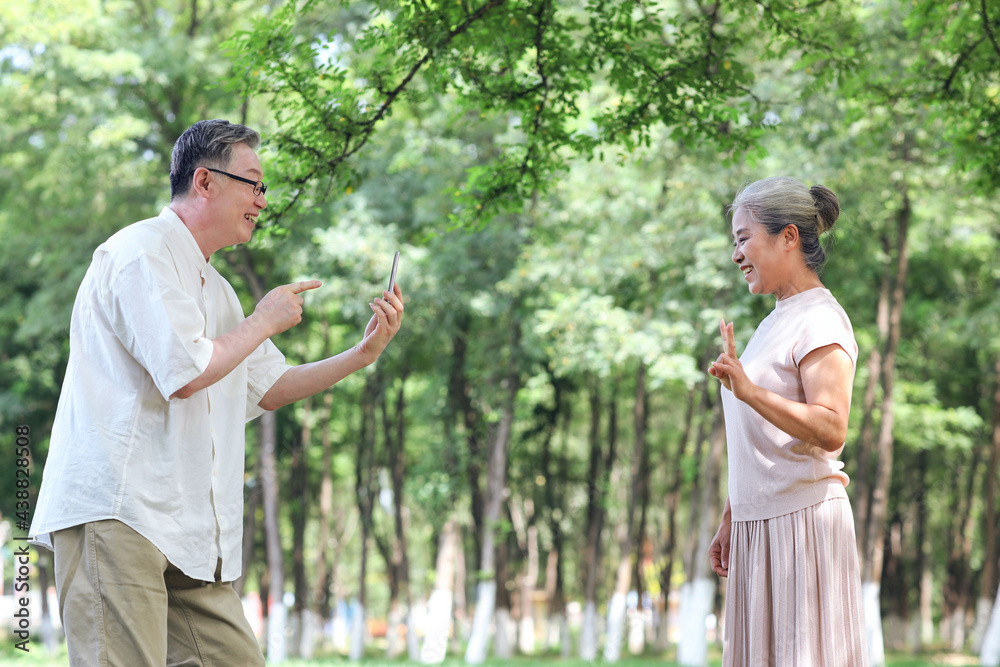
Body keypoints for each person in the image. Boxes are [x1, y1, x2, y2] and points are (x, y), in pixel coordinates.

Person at [28, 119, 404, 666]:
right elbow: (186, 372)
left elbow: (269, 387)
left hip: (189, 530)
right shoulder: (139, 253)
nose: (262, 200)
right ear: (204, 182)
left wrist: (364, 353)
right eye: (253, 182)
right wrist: (264, 321)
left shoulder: (219, 290)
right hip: (119, 512)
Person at [707, 176, 868, 665]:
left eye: (743, 238)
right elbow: (768, 439)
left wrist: (750, 391)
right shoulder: (775, 320)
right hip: (761, 525)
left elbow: (829, 427)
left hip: (802, 527)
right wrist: (735, 510)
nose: (736, 254)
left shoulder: (820, 319)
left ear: (789, 237)